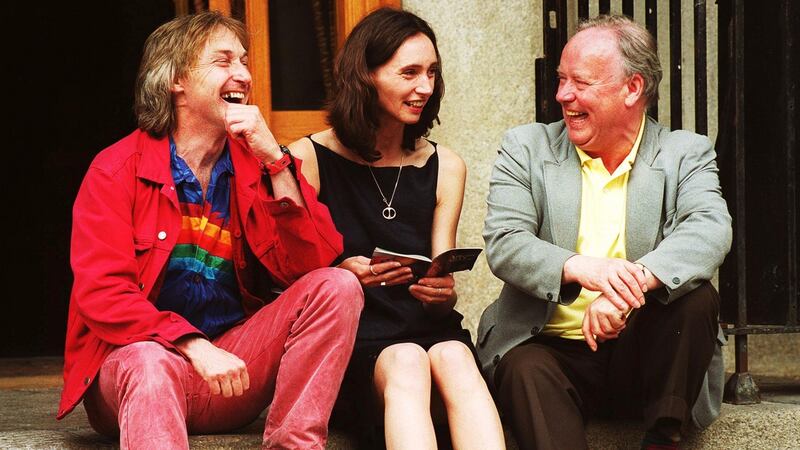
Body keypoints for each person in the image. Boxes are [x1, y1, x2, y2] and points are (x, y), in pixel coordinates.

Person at [57, 11, 363, 450]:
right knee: (148, 360)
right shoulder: (115, 170)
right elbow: (102, 293)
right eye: (223, 61)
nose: (243, 75)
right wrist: (193, 346)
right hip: (136, 375)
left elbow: (312, 264)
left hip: (229, 377)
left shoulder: (256, 165)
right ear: (175, 80)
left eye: (244, 61)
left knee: (337, 285)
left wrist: (274, 159)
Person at [477, 15, 732, 450]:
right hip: (550, 349)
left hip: (643, 356)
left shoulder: (684, 153)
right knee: (525, 368)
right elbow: (506, 241)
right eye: (561, 80)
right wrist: (585, 268)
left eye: (581, 82)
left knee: (697, 298)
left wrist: (628, 291)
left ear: (632, 88)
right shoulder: (527, 148)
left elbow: (709, 228)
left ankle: (662, 440)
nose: (563, 95)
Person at [290, 7, 504, 450]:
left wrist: (441, 293)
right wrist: (341, 275)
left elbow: (441, 293)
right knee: (406, 360)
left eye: (432, 72)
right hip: (353, 343)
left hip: (429, 333)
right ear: (365, 76)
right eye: (409, 72)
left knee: (456, 356)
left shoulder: (446, 165)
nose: (425, 87)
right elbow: (289, 282)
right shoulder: (307, 159)